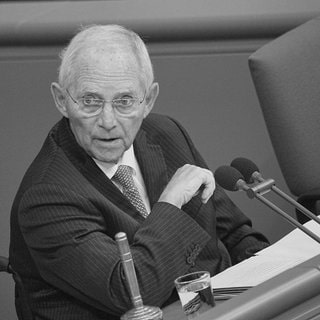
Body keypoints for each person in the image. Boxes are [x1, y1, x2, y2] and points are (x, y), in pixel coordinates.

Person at [10, 24, 269, 320]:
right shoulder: (46, 197)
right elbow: (135, 295)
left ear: (148, 100)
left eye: (124, 101)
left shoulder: (165, 134)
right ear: (61, 100)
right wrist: (170, 204)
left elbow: (234, 233)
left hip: (215, 308)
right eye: (90, 101)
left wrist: (269, 272)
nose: (107, 120)